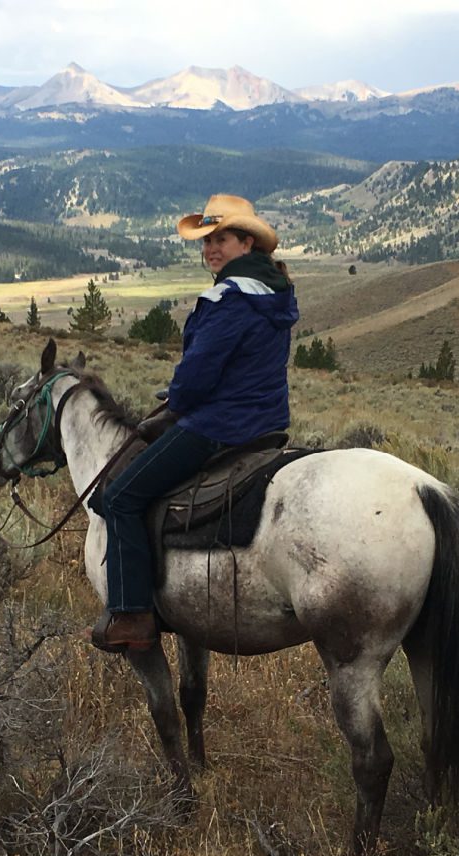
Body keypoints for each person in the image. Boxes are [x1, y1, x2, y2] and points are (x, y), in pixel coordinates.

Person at [89, 194, 299, 651]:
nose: (210, 250)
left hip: (219, 426)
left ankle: (132, 615)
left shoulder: (229, 298)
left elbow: (199, 374)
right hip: (266, 421)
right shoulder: (276, 292)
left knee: (121, 496)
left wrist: (176, 399)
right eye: (206, 242)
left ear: (247, 242)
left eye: (220, 239)